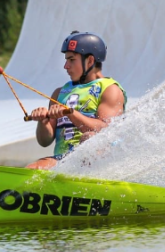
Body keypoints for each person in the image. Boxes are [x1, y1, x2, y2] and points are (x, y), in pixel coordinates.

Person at [26, 31, 127, 170]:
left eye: (71, 60)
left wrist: (71, 114)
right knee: (33, 168)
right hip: (65, 160)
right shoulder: (59, 93)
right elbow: (44, 141)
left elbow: (106, 130)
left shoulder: (110, 89)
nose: (66, 66)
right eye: (66, 60)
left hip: (102, 163)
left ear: (90, 61)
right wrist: (43, 122)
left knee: (89, 138)